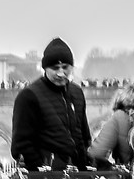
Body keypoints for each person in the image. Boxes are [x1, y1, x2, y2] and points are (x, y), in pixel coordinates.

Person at [11, 38, 94, 172]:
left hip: (78, 172)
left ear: (72, 67)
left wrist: (85, 162)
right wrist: (40, 169)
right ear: (45, 68)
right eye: (55, 68)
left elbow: (84, 134)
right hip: (46, 175)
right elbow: (21, 144)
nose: (61, 73)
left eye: (65, 67)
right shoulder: (28, 96)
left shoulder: (77, 92)